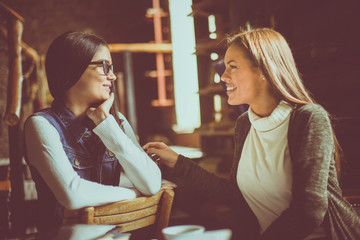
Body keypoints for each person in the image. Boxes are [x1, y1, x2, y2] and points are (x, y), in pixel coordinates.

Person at [143, 28, 360, 240]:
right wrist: (177, 162)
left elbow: (309, 212)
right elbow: (237, 196)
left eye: (232, 67)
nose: (223, 76)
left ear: (263, 70)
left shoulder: (308, 119)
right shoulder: (245, 124)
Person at [24, 31, 162, 231]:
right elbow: (73, 195)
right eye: (105, 66)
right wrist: (133, 193)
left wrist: (107, 126)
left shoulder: (116, 122)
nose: (112, 76)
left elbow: (151, 184)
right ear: (72, 69)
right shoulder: (41, 125)